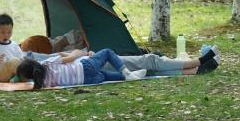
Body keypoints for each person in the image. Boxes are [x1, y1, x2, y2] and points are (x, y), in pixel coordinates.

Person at [15, 46, 220, 89]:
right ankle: (197, 62)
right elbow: (69, 58)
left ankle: (195, 70)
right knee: (149, 61)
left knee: (149, 69)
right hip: (89, 65)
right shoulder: (40, 61)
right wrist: (80, 53)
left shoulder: (40, 79)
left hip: (87, 74)